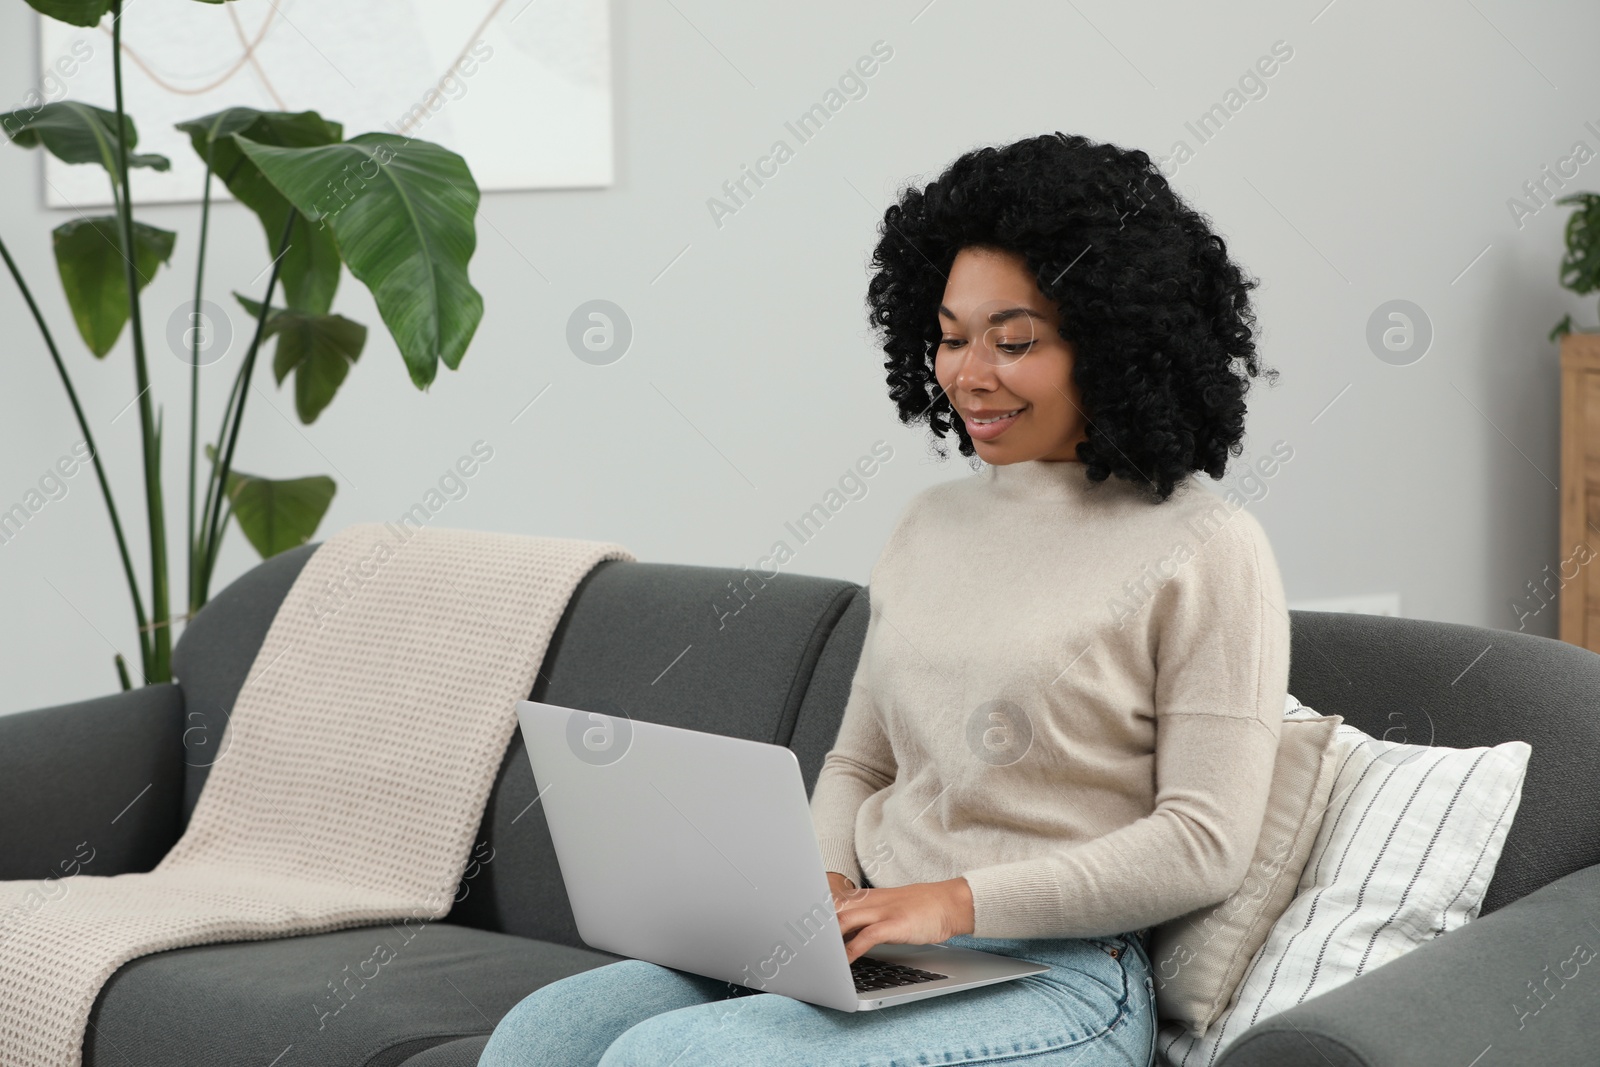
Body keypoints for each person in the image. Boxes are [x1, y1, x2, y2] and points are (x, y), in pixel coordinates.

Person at [478, 131, 1290, 1067]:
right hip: (877, 940)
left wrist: (956, 901)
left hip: (1060, 976)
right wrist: (820, 882)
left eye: (1013, 339)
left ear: (1114, 343)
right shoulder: (930, 524)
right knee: (541, 1038)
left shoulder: (1207, 546)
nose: (968, 373)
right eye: (949, 336)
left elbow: (1202, 841)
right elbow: (861, 763)